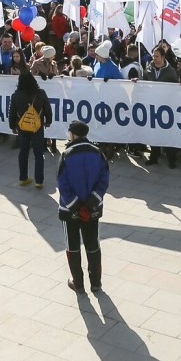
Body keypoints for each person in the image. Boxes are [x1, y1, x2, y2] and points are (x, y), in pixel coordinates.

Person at [57, 120, 110, 293]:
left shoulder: (67, 154)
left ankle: (78, 283)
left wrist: (76, 206)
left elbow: (62, 183)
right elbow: (104, 181)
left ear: (72, 134)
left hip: (70, 210)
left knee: (72, 246)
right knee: (93, 245)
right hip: (92, 209)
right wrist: (90, 203)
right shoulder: (98, 152)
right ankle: (96, 283)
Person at [8, 67, 52, 187]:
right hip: (38, 127)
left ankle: (23, 178)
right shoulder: (41, 93)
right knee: (38, 154)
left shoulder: (16, 95)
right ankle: (39, 181)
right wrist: (48, 121)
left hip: (22, 128)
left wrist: (12, 126)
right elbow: (48, 108)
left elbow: (11, 112)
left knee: (23, 152)